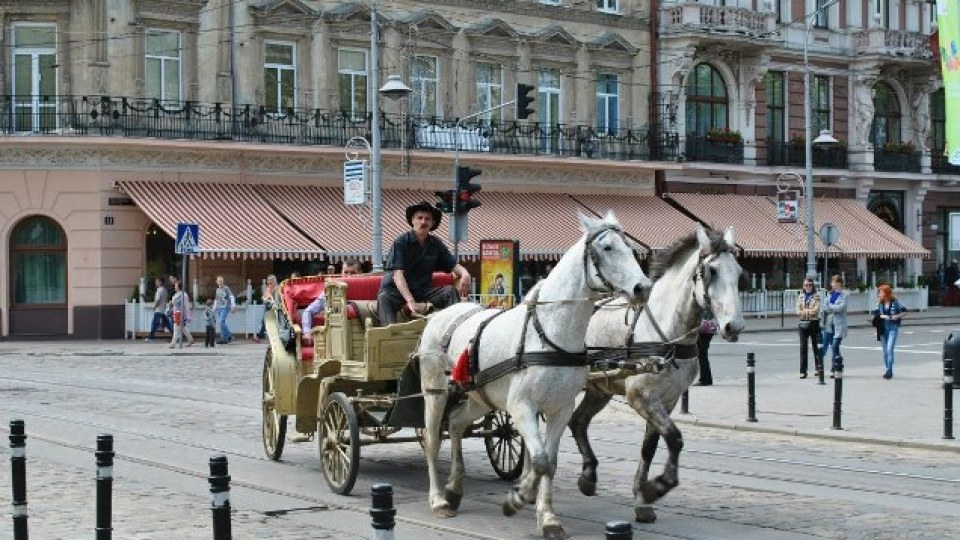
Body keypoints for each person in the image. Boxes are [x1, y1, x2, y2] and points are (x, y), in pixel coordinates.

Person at [376, 201, 471, 326]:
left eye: (427, 219)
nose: (423, 222)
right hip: (396, 291)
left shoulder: (436, 243)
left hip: (422, 290)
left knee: (449, 292)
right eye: (419, 218)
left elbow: (453, 265)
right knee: (384, 298)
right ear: (413, 221)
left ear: (432, 223)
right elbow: (398, 276)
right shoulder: (400, 242)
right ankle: (388, 335)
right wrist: (410, 301)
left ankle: (456, 328)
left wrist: (465, 273)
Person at [301, 260, 361, 336]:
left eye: (353, 273)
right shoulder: (330, 290)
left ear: (360, 273)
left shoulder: (367, 288)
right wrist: (307, 333)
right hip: (335, 333)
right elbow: (308, 312)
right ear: (342, 273)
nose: (348, 276)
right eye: (346, 272)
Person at [873, 284, 908, 379]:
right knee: (885, 352)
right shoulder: (879, 303)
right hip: (882, 328)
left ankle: (889, 371)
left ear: (886, 293)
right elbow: (876, 314)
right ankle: (887, 368)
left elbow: (905, 311)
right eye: (879, 292)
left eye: (880, 292)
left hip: (893, 328)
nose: (879, 294)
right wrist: (882, 316)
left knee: (889, 349)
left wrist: (897, 316)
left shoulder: (895, 302)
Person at [821, 275, 848, 378]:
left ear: (839, 283)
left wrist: (831, 306)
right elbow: (824, 308)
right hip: (829, 324)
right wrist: (832, 308)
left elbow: (841, 308)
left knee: (835, 346)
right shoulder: (830, 294)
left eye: (833, 282)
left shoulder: (845, 295)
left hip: (839, 325)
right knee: (828, 347)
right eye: (831, 282)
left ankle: (836, 365)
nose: (831, 284)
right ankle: (836, 366)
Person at [796, 278, 822, 379]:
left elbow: (816, 310)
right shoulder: (800, 296)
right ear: (803, 286)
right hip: (803, 324)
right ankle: (803, 371)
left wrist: (805, 311)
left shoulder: (816, 296)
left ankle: (818, 368)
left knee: (816, 347)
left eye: (810, 285)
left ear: (812, 286)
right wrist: (808, 311)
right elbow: (798, 311)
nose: (808, 287)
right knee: (803, 348)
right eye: (806, 285)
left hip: (814, 323)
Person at [145, 277, 172, 342]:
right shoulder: (165, 290)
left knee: (154, 323)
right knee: (167, 323)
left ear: (160, 282)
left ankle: (151, 337)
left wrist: (155, 306)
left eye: (157, 281)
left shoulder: (159, 290)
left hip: (158, 310)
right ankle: (175, 335)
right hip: (163, 309)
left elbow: (158, 300)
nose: (155, 283)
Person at [252, 274, 278, 344]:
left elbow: (276, 298)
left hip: (274, 306)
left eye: (270, 280)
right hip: (267, 305)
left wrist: (270, 301)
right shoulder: (268, 288)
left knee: (275, 322)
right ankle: (260, 336)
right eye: (268, 280)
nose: (269, 281)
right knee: (264, 321)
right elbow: (265, 297)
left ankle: (262, 336)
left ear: (274, 281)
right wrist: (264, 299)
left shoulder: (276, 288)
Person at [694, 309, 717, 386]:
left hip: (703, 331)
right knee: (703, 356)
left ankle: (704, 380)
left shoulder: (703, 305)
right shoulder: (709, 306)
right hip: (709, 330)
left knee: (702, 356)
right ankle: (707, 379)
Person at [169, 281, 194, 348]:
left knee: (176, 327)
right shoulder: (176, 294)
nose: (175, 287)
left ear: (179, 287)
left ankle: (173, 343)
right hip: (176, 312)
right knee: (183, 328)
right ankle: (190, 339)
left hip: (181, 313)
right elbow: (174, 304)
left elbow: (186, 305)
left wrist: (187, 315)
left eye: (176, 286)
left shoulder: (183, 295)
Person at [213, 275, 236, 344]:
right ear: (216, 282)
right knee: (221, 323)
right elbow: (216, 300)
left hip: (225, 307)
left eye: (222, 281)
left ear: (223, 281)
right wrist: (213, 309)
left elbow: (232, 296)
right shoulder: (217, 290)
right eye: (219, 281)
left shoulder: (226, 288)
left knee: (221, 322)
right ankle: (223, 339)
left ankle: (230, 335)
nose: (220, 282)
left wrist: (233, 305)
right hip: (219, 308)